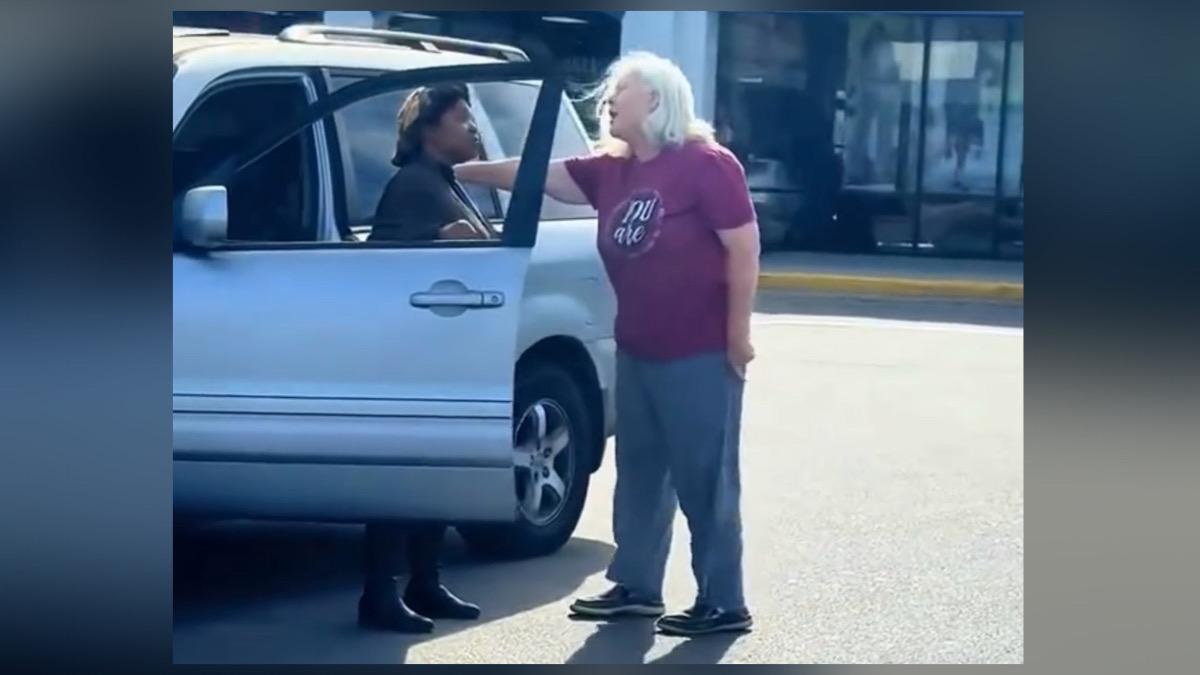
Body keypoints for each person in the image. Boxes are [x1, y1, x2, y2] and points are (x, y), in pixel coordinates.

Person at [455, 52, 761, 637]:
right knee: (640, 474)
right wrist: (464, 171)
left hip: (699, 350)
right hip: (638, 350)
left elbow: (744, 249)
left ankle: (724, 600)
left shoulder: (706, 164)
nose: (608, 101)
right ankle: (636, 586)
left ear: (656, 100)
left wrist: (737, 335)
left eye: (620, 91)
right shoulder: (611, 170)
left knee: (705, 478)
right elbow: (537, 171)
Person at [357, 83, 491, 634]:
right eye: (463, 117)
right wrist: (445, 243)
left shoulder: (445, 182)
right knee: (398, 476)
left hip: (438, 356)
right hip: (402, 358)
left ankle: (425, 582)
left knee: (434, 469)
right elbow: (387, 269)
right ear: (430, 127)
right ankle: (380, 594)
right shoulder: (413, 186)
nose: (474, 127)